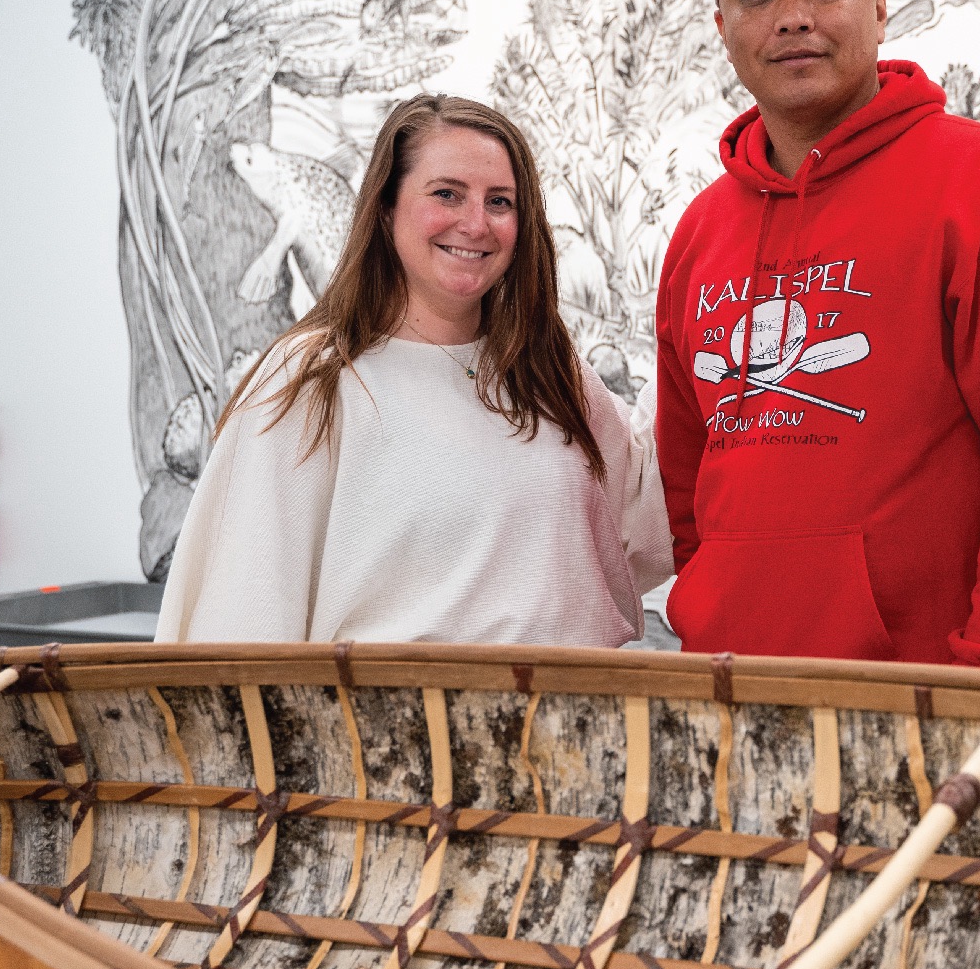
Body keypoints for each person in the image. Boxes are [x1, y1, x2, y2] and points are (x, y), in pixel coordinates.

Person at [653, 0, 980, 672]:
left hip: (927, 698)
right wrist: (714, 611)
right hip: (730, 691)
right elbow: (687, 477)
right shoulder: (703, 229)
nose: (793, 16)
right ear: (723, 27)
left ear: (880, 7)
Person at [158, 95, 672, 645]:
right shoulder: (311, 379)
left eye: (500, 202)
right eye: (447, 194)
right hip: (392, 726)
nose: (476, 223)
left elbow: (643, 510)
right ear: (385, 209)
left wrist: (705, 342)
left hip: (572, 721)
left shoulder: (550, 374)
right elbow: (245, 610)